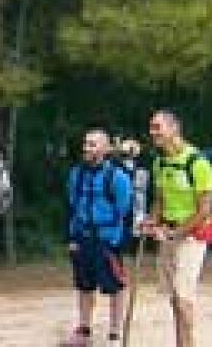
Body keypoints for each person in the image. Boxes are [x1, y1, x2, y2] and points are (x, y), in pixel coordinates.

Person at [142, 109, 212, 347]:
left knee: (184, 299)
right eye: (151, 127)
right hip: (167, 235)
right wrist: (151, 220)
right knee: (174, 299)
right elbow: (160, 200)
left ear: (174, 128)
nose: (153, 133)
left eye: (157, 127)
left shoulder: (198, 163)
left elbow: (204, 210)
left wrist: (177, 233)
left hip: (193, 236)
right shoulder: (159, 163)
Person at [64, 129, 133, 346]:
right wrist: (72, 237)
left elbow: (125, 211)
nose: (87, 148)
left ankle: (114, 333)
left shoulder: (117, 177)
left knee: (115, 288)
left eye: (93, 144)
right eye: (86, 143)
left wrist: (117, 242)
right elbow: (72, 206)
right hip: (82, 238)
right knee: (84, 286)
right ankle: (84, 330)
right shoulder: (77, 174)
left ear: (105, 149)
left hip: (107, 241)